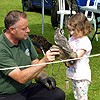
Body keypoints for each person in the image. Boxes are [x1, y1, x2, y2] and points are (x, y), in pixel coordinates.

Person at [0, 10, 65, 100]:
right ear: (12, 30)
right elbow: (20, 78)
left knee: (57, 95)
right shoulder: (1, 48)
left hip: (27, 87)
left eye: (27, 27)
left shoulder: (24, 38)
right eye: (24, 28)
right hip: (8, 94)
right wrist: (44, 61)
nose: (28, 30)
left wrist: (42, 77)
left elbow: (34, 62)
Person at [66, 12, 93, 100]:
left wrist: (69, 60)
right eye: (70, 30)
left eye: (74, 30)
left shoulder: (84, 41)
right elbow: (67, 50)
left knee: (82, 97)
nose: (71, 32)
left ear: (83, 28)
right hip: (74, 73)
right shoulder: (72, 39)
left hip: (81, 74)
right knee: (77, 95)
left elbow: (77, 55)